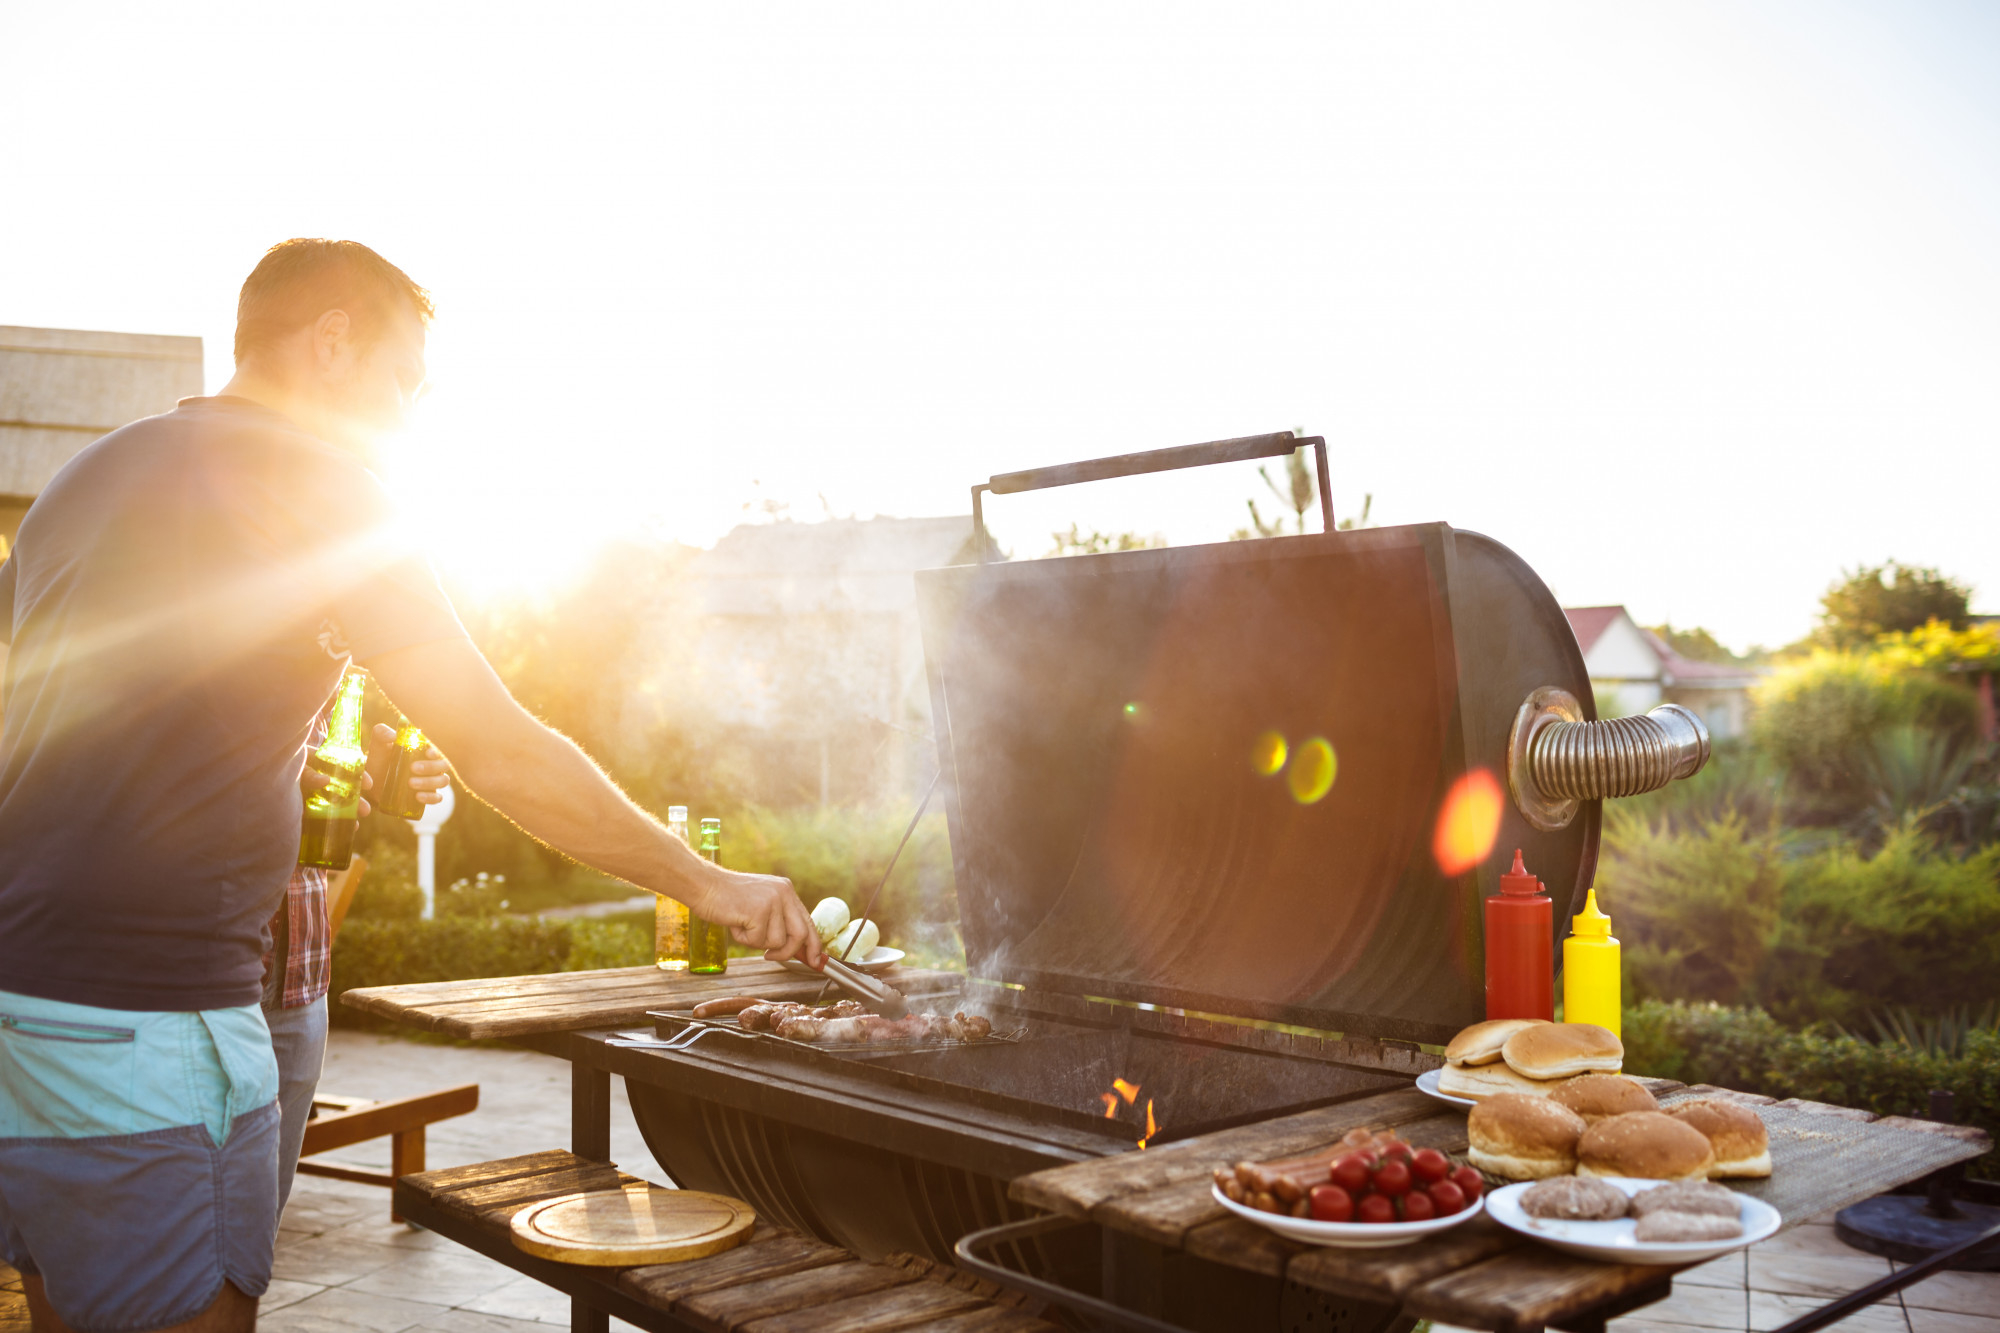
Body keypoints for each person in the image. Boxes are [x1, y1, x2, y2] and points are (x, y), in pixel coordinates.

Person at [0, 238, 823, 1333]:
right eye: (404, 383)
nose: (407, 418)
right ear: (332, 342)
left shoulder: (84, 478)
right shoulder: (327, 490)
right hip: (155, 1026)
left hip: (21, 1009)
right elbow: (502, 749)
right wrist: (703, 880)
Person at [262, 703, 451, 1218]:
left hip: (299, 977)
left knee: (254, 1237)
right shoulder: (198, 639)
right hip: (198, 974)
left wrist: (377, 762)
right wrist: (266, 772)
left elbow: (324, 764)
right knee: (160, 1235)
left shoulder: (330, 662)